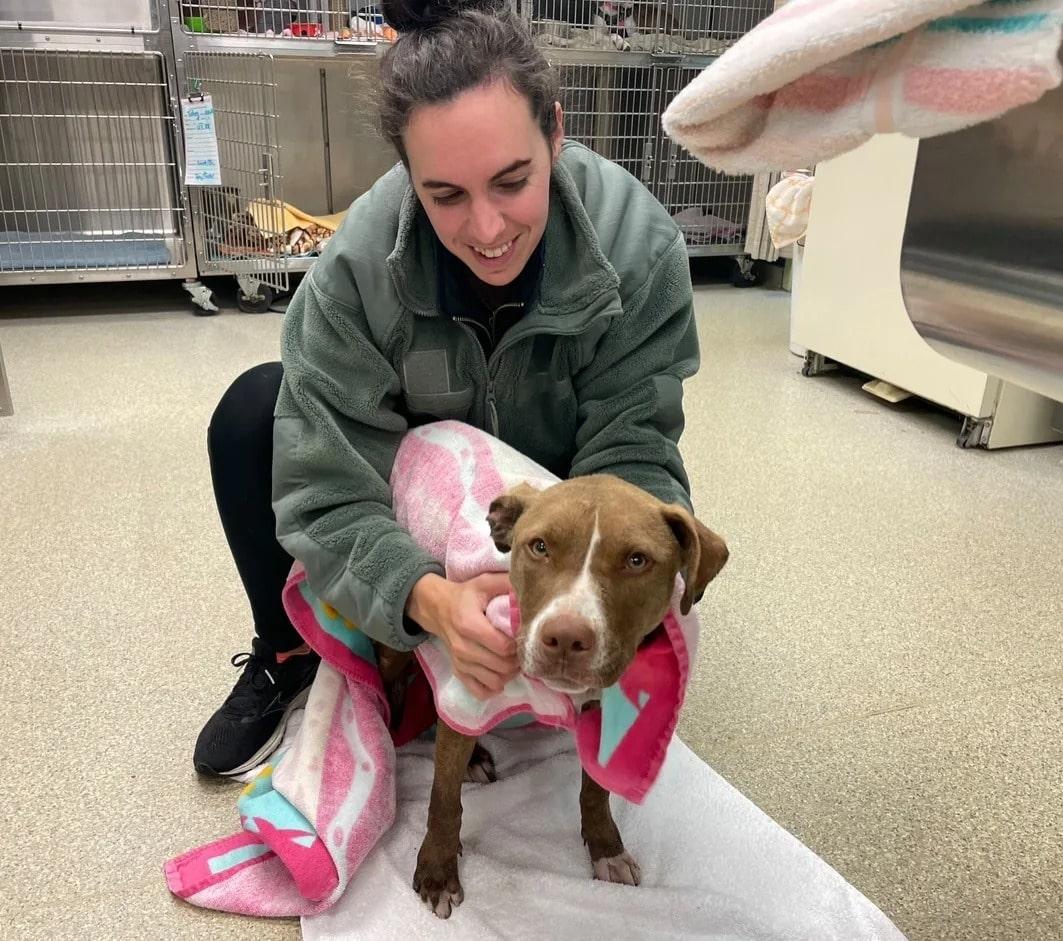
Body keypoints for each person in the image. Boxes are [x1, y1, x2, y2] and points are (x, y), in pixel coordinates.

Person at [194, 0, 700, 777]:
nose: (488, 229)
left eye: (512, 181)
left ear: (555, 134)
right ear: (406, 175)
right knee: (253, 412)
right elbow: (323, 490)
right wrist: (428, 597)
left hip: (549, 506)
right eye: (447, 196)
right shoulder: (355, 269)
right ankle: (288, 649)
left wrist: (591, 599)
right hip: (419, 505)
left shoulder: (638, 246)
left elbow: (633, 445)